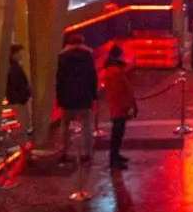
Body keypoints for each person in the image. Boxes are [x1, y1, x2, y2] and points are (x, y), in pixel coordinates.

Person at [54, 33, 99, 162]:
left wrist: (60, 98)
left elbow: (60, 79)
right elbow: (92, 77)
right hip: (84, 97)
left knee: (65, 125)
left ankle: (65, 151)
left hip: (68, 98)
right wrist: (94, 96)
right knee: (86, 126)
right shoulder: (88, 56)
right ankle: (88, 152)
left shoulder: (62, 57)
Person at [101, 47, 137, 170]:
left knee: (118, 133)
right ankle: (114, 159)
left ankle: (116, 156)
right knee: (117, 133)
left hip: (118, 107)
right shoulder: (116, 72)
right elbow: (120, 92)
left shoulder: (114, 70)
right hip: (119, 108)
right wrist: (128, 106)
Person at [5, 45, 34, 155]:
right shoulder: (14, 68)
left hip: (18, 100)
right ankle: (20, 149)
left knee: (21, 125)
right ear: (13, 54)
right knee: (21, 126)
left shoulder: (13, 67)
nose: (21, 55)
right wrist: (23, 97)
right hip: (19, 101)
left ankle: (21, 148)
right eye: (19, 53)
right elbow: (17, 85)